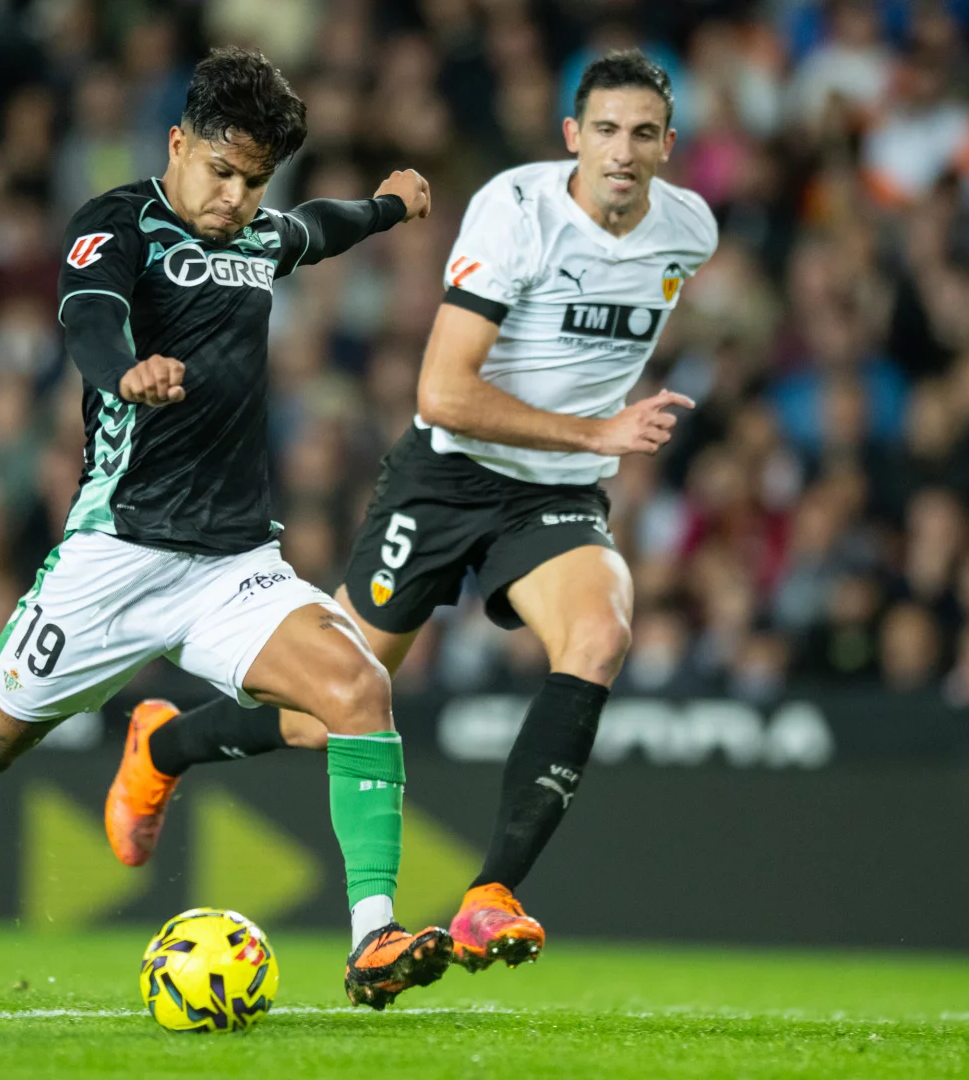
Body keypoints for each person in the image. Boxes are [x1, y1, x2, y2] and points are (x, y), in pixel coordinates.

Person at [0, 47, 446, 1011]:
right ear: (177, 143)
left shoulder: (257, 235)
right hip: (115, 556)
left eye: (254, 182)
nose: (235, 199)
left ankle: (373, 941)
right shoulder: (117, 223)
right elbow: (89, 317)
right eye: (221, 171)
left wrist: (387, 206)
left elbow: (317, 230)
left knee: (360, 688)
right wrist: (123, 371)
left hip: (233, 562)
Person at [108, 51, 717, 974]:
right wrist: (599, 431)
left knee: (600, 635)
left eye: (642, 134)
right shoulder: (517, 213)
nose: (622, 151)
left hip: (554, 494)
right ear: (572, 137)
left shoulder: (689, 231)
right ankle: (165, 742)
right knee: (325, 713)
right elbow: (442, 394)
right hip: (448, 477)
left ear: (669, 145)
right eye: (604, 130)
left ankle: (490, 896)